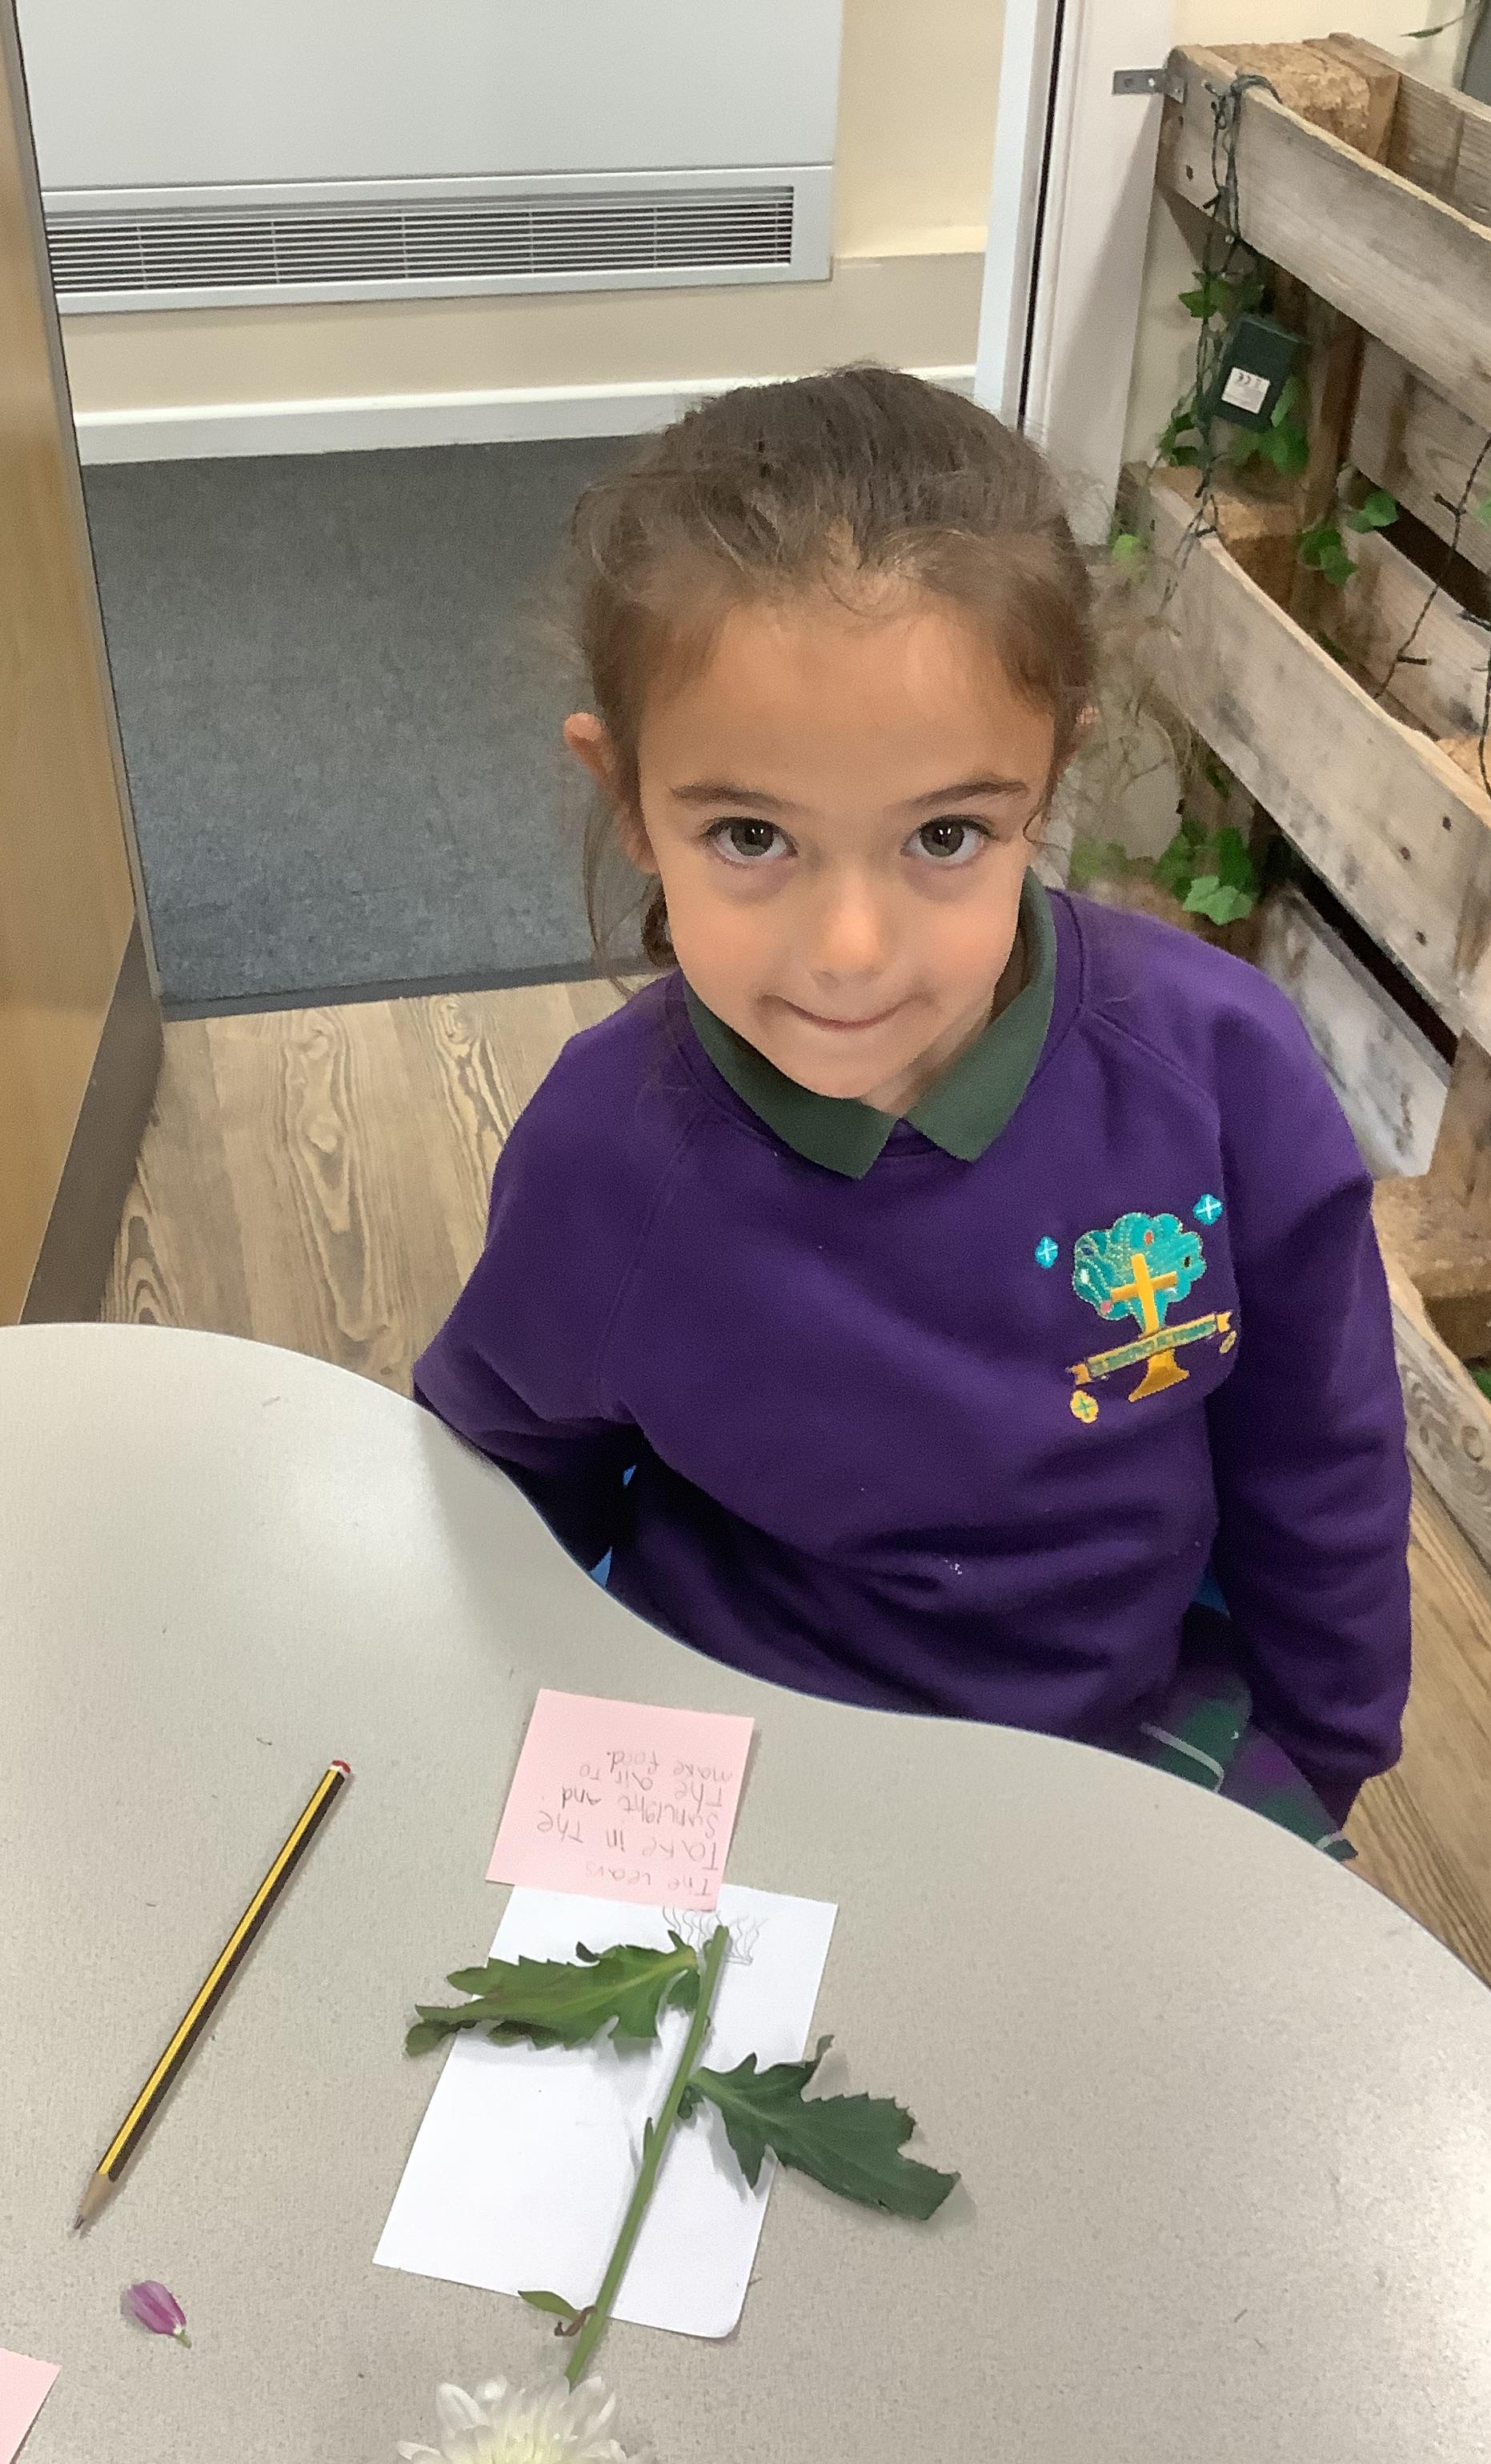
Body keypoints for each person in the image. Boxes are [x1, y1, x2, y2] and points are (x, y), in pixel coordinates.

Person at [415, 366, 1410, 1849]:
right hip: (737, 1738)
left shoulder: (1221, 1072)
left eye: (946, 834)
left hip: (1124, 1726)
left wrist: (1325, 1753)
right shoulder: (606, 1153)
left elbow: (1319, 1448)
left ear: (1048, 782)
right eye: (750, 834)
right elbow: (494, 1492)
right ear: (627, 797)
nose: (850, 952)